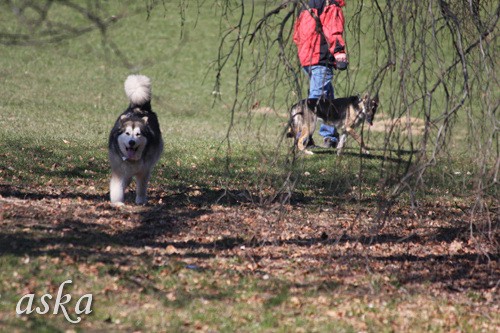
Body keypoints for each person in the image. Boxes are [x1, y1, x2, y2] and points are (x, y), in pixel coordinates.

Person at [293, 0, 348, 148]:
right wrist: (339, 54)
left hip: (307, 59)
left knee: (327, 98)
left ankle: (330, 136)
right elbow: (333, 30)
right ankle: (302, 137)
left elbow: (297, 35)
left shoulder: (306, 4)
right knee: (316, 100)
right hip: (320, 59)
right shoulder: (330, 5)